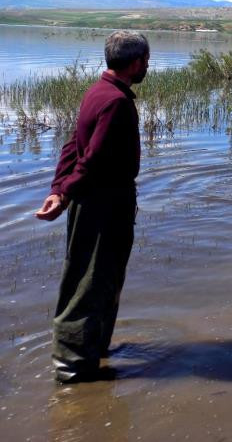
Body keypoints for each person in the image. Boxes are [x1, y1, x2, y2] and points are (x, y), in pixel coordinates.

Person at [34, 30, 150, 384]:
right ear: (135, 63)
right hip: (104, 204)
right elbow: (93, 158)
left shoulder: (97, 92)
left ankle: (94, 352)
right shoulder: (116, 102)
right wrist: (65, 192)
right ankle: (71, 368)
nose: (147, 66)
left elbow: (74, 144)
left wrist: (59, 189)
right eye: (146, 61)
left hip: (96, 200)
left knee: (102, 278)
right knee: (89, 282)